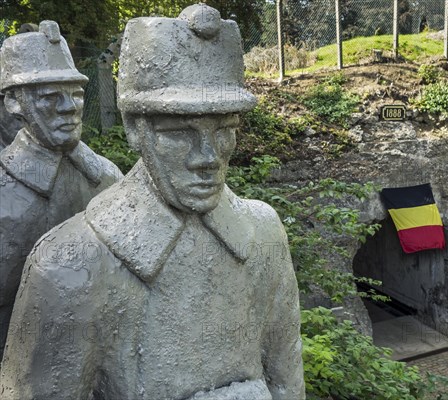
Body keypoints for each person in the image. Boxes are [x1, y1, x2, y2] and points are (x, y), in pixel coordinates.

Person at [0, 5, 305, 399]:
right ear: (134, 129)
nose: (208, 157)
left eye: (225, 129)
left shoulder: (265, 232)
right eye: (179, 132)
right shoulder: (67, 263)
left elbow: (287, 384)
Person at [0, 21, 122, 362]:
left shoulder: (108, 177)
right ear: (13, 102)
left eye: (77, 94)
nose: (70, 107)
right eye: (51, 96)